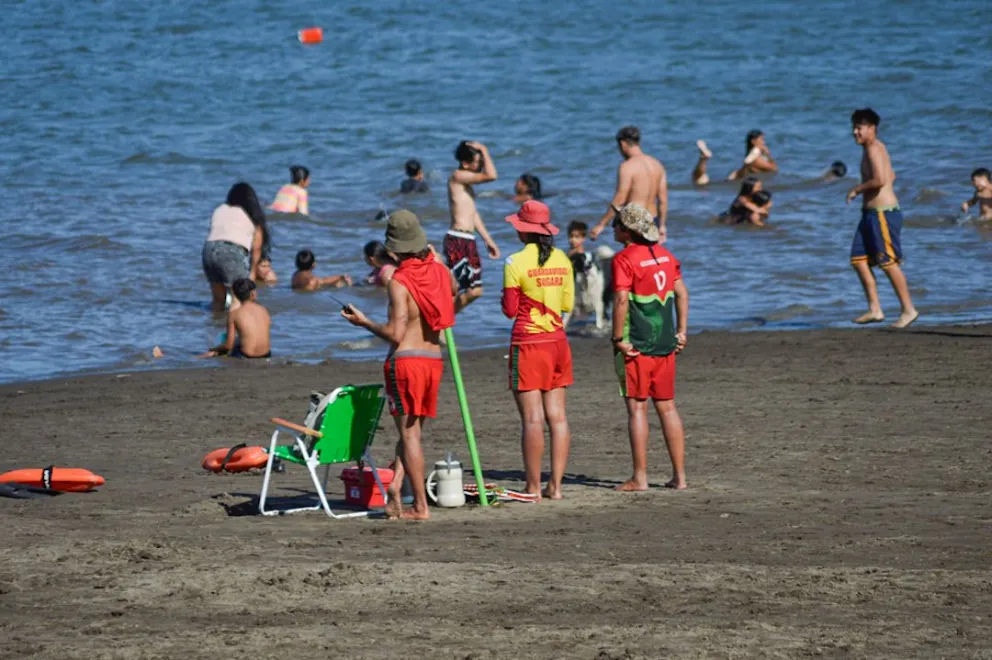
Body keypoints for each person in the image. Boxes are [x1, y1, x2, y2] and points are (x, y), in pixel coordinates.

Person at [342, 210, 456, 520]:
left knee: (409, 436)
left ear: (392, 250)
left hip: (406, 363)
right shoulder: (441, 272)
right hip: (433, 360)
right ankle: (396, 489)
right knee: (413, 433)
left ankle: (419, 506)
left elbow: (395, 333)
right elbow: (454, 293)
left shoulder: (399, 281)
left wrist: (364, 322)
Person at [610, 203, 688, 491]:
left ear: (628, 231)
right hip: (666, 343)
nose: (612, 228)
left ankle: (640, 477)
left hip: (638, 344)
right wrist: (681, 331)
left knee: (637, 409)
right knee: (667, 408)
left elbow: (620, 301)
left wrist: (619, 339)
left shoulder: (623, 259)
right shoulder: (667, 256)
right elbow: (682, 293)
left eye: (616, 223)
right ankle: (680, 477)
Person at [501, 201, 574, 500]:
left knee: (532, 419)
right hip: (558, 341)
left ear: (523, 230)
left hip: (529, 343)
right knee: (557, 417)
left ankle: (533, 485)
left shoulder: (514, 262)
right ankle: (555, 486)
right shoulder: (563, 259)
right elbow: (567, 304)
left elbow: (510, 310)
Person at [846, 108, 918, 328]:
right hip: (870, 214)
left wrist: (857, 190)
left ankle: (908, 310)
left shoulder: (874, 149)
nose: (854, 132)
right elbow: (891, 175)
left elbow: (879, 179)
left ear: (872, 128)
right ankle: (875, 309)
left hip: (883, 214)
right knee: (858, 259)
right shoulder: (872, 149)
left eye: (859, 128)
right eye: (854, 127)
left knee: (888, 263)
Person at [445, 140, 501, 311]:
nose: (482, 165)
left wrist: (488, 240)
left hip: (469, 240)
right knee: (465, 290)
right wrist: (484, 149)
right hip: (458, 240)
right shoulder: (458, 176)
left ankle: (444, 319)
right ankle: (441, 321)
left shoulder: (467, 185)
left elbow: (473, 214)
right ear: (465, 163)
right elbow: (491, 176)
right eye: (479, 161)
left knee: (476, 291)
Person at [589, 126, 668, 242]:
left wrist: (602, 224)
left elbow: (620, 198)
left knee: (633, 257)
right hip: (652, 221)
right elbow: (663, 200)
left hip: (634, 223)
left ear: (622, 144)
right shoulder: (657, 165)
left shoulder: (627, 166)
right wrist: (662, 226)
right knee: (649, 257)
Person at [202, 182, 269, 312]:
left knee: (218, 299)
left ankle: (215, 326)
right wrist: (252, 276)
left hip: (208, 251)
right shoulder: (251, 214)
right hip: (230, 251)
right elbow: (256, 250)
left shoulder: (220, 209)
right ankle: (233, 331)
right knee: (239, 299)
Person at [200, 278, 271, 358]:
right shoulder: (264, 310)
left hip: (247, 356)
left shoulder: (234, 314)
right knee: (239, 340)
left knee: (221, 350)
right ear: (253, 293)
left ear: (235, 295)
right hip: (266, 355)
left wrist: (215, 349)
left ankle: (198, 358)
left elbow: (228, 346)